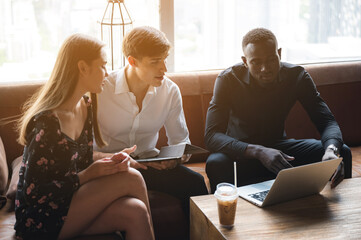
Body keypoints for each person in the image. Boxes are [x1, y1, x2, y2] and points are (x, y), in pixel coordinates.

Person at [14, 33, 154, 240]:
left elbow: (80, 156)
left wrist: (112, 157)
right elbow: (34, 193)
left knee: (136, 212)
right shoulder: (47, 122)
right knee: (132, 177)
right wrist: (88, 175)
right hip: (39, 217)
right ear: (82, 68)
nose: (107, 74)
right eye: (103, 65)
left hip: (70, 201)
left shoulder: (86, 105)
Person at [205, 28, 352, 193]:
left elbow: (326, 121)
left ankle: (344, 215)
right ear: (245, 61)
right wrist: (258, 151)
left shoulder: (297, 76)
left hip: (280, 152)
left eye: (271, 60)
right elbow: (212, 136)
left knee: (342, 153)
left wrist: (331, 151)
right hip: (241, 154)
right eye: (256, 62)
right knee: (215, 163)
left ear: (279, 54)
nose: (265, 68)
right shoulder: (228, 79)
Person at [93, 26, 208, 218]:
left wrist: (173, 159)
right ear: (132, 61)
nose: (164, 68)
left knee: (194, 182)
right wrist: (111, 158)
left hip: (148, 166)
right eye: (155, 62)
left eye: (164, 60)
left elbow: (181, 142)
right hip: (109, 168)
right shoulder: (101, 89)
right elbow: (79, 150)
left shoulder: (170, 91)